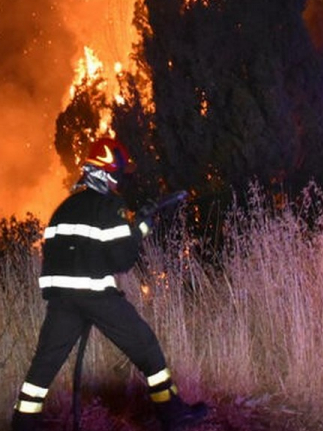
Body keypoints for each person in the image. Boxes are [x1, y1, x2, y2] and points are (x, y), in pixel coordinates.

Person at [11, 137, 210, 431]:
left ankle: (22, 424)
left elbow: (64, 254)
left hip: (61, 299)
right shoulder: (109, 206)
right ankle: (174, 415)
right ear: (104, 173)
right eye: (116, 176)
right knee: (146, 347)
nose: (118, 184)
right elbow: (121, 259)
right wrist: (139, 230)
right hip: (96, 295)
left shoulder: (63, 208)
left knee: (45, 363)